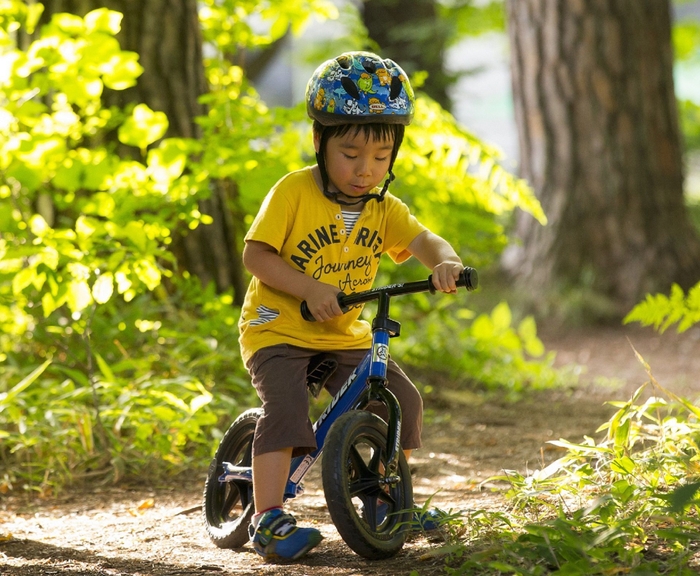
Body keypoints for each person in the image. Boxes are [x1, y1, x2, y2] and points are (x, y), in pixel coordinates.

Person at [238, 51, 465, 562]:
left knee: (402, 400)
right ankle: (267, 518)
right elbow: (256, 255)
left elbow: (424, 239)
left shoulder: (384, 209)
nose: (366, 170)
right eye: (351, 154)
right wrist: (308, 288)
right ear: (319, 142)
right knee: (288, 409)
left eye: (381, 158)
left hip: (344, 335)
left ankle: (391, 497)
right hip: (278, 329)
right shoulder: (293, 192)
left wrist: (446, 262)